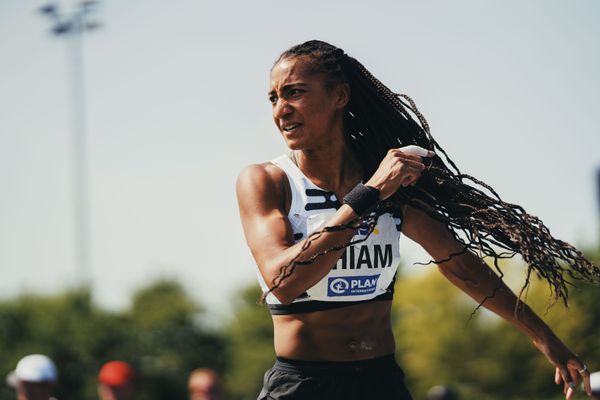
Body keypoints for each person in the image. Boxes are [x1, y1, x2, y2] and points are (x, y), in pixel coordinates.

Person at [236, 40, 598, 400]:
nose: (280, 110)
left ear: (340, 96)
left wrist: (544, 337)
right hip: (303, 385)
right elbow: (283, 282)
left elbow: (460, 266)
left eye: (294, 93)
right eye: (273, 98)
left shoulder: (392, 183)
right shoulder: (269, 181)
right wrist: (368, 194)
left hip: (380, 383)